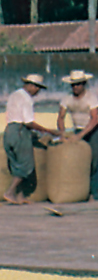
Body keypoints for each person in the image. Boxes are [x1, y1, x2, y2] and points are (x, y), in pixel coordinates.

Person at [3, 73, 58, 204]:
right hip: (20, 132)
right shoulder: (26, 99)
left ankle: (20, 196)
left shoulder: (14, 95)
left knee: (16, 164)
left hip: (9, 131)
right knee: (26, 166)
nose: (38, 91)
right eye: (37, 88)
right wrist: (47, 130)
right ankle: (10, 192)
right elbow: (28, 122)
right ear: (31, 86)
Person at [57, 69, 98, 200]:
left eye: (78, 84)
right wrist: (62, 134)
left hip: (93, 131)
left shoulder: (91, 98)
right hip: (77, 130)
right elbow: (61, 117)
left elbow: (95, 118)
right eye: (73, 84)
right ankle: (82, 191)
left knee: (94, 161)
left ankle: (94, 192)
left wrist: (82, 135)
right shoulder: (67, 99)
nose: (75, 87)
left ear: (84, 84)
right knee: (79, 162)